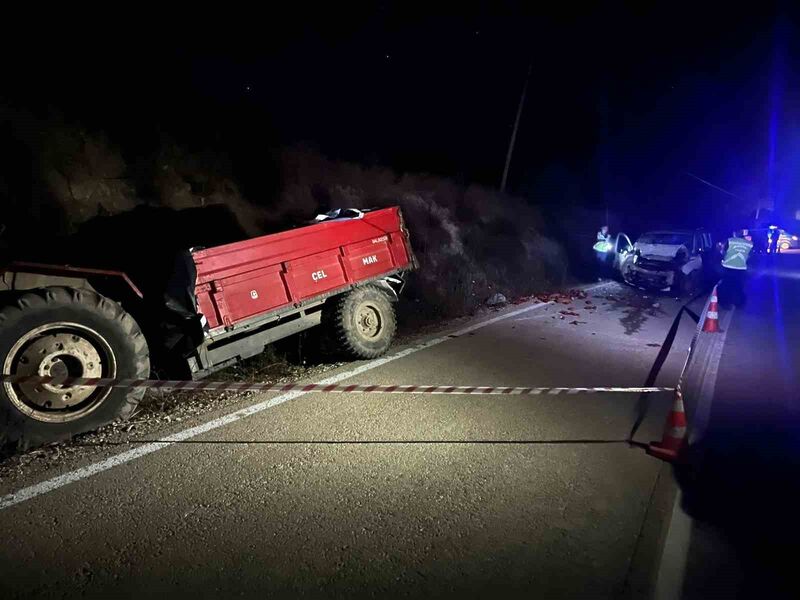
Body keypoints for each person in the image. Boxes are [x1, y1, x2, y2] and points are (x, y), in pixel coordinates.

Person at [719, 229, 753, 307]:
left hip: (728, 267)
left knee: (727, 286)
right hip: (741, 267)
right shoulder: (749, 244)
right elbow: (750, 255)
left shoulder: (730, 241)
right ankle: (739, 304)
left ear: (735, 234)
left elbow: (723, 251)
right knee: (739, 286)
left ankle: (725, 304)